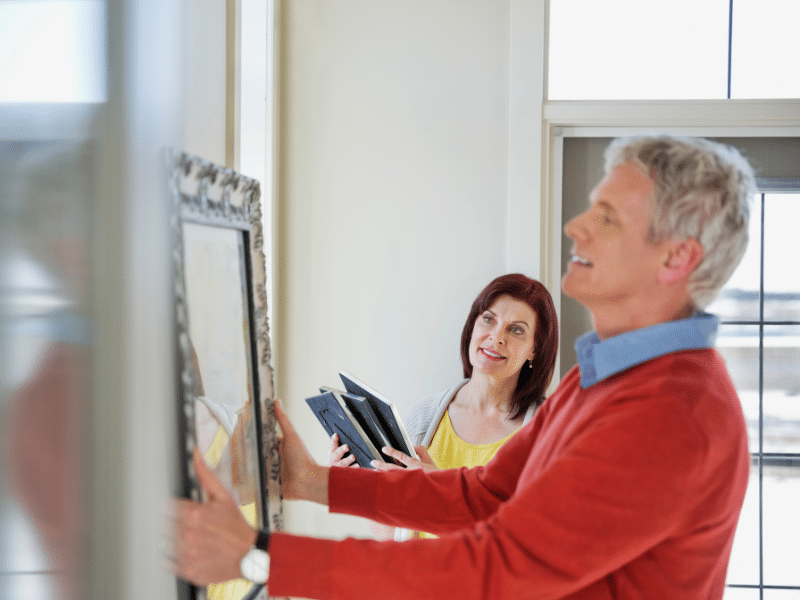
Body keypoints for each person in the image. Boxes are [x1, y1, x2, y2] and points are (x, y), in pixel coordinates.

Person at [172, 134, 755, 600]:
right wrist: (310, 481)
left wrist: (259, 555)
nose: (576, 227)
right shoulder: (606, 376)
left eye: (606, 217)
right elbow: (487, 495)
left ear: (677, 258)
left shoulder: (674, 414)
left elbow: (496, 569)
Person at [328, 273, 558, 541]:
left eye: (516, 329)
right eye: (488, 319)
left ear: (534, 349)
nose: (496, 337)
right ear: (473, 325)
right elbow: (393, 533)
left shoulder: (550, 434)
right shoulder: (423, 417)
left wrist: (442, 491)